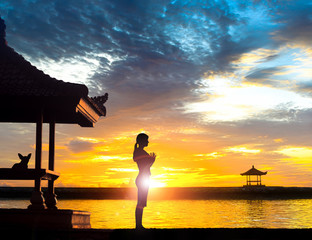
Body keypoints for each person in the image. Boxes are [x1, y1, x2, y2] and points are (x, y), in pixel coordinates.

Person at [133, 133, 156, 229]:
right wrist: (152, 161)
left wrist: (151, 160)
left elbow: (145, 165)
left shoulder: (140, 151)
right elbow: (144, 166)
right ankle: (138, 225)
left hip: (143, 178)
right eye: (146, 140)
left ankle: (139, 225)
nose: (148, 142)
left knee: (141, 202)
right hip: (142, 178)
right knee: (140, 202)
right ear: (142, 141)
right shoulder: (139, 152)